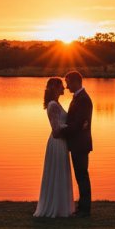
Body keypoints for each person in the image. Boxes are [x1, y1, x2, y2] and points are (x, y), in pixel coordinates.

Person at [33, 77, 73, 218]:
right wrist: (74, 127)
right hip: (57, 143)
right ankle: (55, 208)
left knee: (60, 173)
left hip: (61, 143)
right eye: (61, 86)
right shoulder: (53, 105)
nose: (64, 88)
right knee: (57, 173)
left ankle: (61, 207)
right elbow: (56, 130)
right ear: (55, 88)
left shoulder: (56, 104)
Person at [55, 70, 92, 217]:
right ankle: (82, 207)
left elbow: (77, 124)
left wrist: (60, 131)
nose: (66, 86)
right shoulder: (78, 97)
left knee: (82, 175)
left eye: (68, 82)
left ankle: (84, 209)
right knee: (80, 175)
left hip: (80, 144)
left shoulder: (83, 99)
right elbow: (76, 122)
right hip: (78, 143)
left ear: (76, 82)